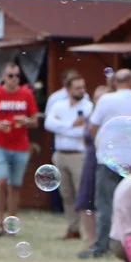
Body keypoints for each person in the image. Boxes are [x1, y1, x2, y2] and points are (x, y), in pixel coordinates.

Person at [88, 69, 131, 258]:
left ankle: (102, 245)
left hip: (107, 158)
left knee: (105, 204)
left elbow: (93, 126)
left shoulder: (106, 100)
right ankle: (129, 245)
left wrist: (100, 143)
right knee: (130, 206)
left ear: (115, 82)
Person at [0, 62, 39, 237]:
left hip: (20, 146)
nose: (14, 79)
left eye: (17, 76)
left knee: (15, 185)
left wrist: (26, 121)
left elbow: (35, 120)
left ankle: (11, 221)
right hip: (0, 144)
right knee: (1, 182)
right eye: (10, 75)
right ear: (3, 77)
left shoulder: (26, 94)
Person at [45, 74, 92, 242]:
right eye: (77, 88)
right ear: (68, 89)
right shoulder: (59, 105)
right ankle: (73, 228)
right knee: (66, 193)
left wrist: (62, 127)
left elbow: (83, 132)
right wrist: (71, 125)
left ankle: (88, 231)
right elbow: (49, 124)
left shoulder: (88, 107)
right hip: (60, 154)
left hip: (78, 155)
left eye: (83, 87)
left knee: (82, 193)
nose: (82, 91)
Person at [75, 84, 110, 259]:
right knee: (85, 198)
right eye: (97, 96)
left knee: (102, 201)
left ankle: (103, 241)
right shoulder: (92, 116)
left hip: (105, 159)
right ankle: (91, 240)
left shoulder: (109, 117)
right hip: (91, 157)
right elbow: (85, 138)